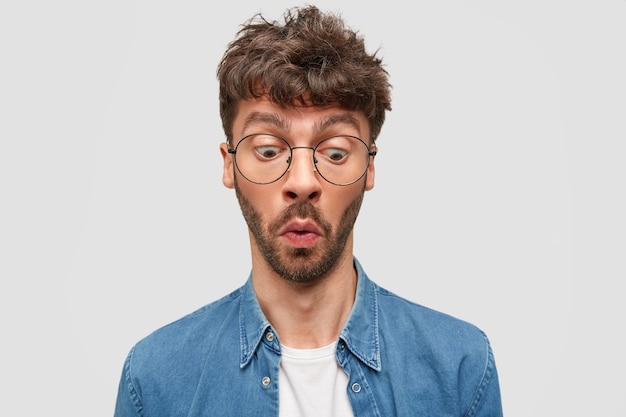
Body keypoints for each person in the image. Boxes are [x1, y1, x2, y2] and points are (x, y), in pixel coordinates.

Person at [114, 5, 503, 417]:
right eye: (268, 149)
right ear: (229, 164)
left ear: (369, 167)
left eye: (335, 152)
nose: (302, 182)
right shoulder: (155, 378)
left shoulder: (460, 367)